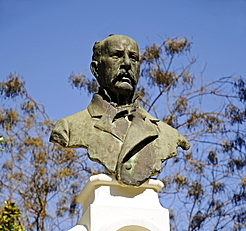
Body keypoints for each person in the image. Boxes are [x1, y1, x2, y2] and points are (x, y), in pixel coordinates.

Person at [50, 34, 190, 186]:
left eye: (134, 58)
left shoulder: (167, 134)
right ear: (96, 69)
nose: (127, 63)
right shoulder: (69, 127)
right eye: (117, 56)